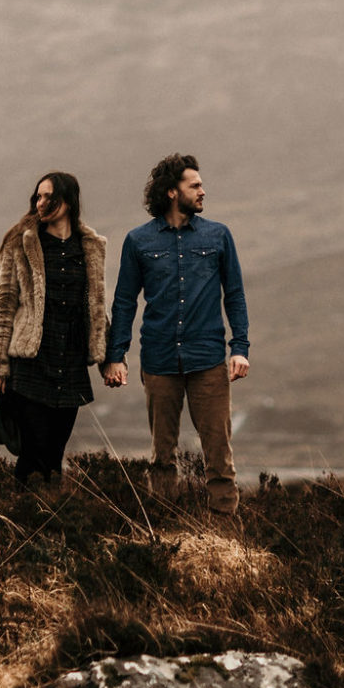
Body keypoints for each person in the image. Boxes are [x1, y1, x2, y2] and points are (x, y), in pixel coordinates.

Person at [103, 154, 249, 514]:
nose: (203, 191)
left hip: (208, 360)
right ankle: (165, 528)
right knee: (162, 455)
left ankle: (225, 533)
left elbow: (234, 294)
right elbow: (124, 302)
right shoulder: (138, 241)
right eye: (194, 185)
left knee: (218, 451)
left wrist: (240, 347)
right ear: (172, 192)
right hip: (159, 360)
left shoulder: (218, 236)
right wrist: (115, 355)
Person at [0, 171, 107, 485]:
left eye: (47, 196)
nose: (40, 202)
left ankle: (51, 524)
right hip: (31, 363)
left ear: (68, 199)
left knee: (54, 453)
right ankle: (27, 522)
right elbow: (3, 305)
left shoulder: (88, 246)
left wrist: (110, 359)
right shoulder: (21, 243)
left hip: (71, 365)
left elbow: (96, 306)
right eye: (37, 196)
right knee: (34, 453)